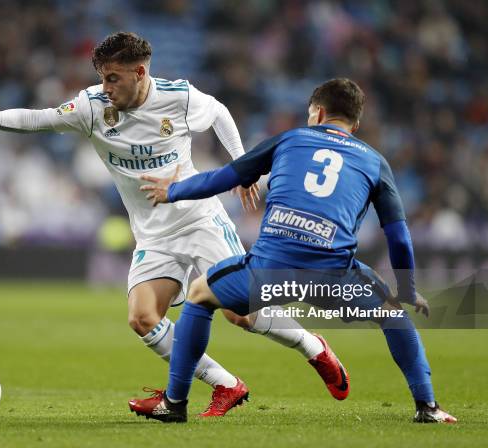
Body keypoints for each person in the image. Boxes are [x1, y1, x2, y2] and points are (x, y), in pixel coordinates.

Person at [0, 32, 349, 417]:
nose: (106, 87)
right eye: (101, 78)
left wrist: (243, 167)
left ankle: (314, 348)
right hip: (153, 234)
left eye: (113, 78)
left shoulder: (180, 98)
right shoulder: (92, 108)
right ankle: (225, 384)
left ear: (140, 73)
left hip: (198, 219)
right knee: (142, 317)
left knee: (239, 313)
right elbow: (40, 118)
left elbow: (220, 113)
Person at [134, 78, 457, 424]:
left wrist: (174, 191)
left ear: (318, 113)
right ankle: (428, 407)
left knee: (200, 295)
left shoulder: (290, 139)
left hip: (269, 271)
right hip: (333, 277)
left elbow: (226, 177)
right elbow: (399, 236)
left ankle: (175, 402)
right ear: (355, 124)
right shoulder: (375, 162)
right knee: (394, 314)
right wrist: (406, 289)